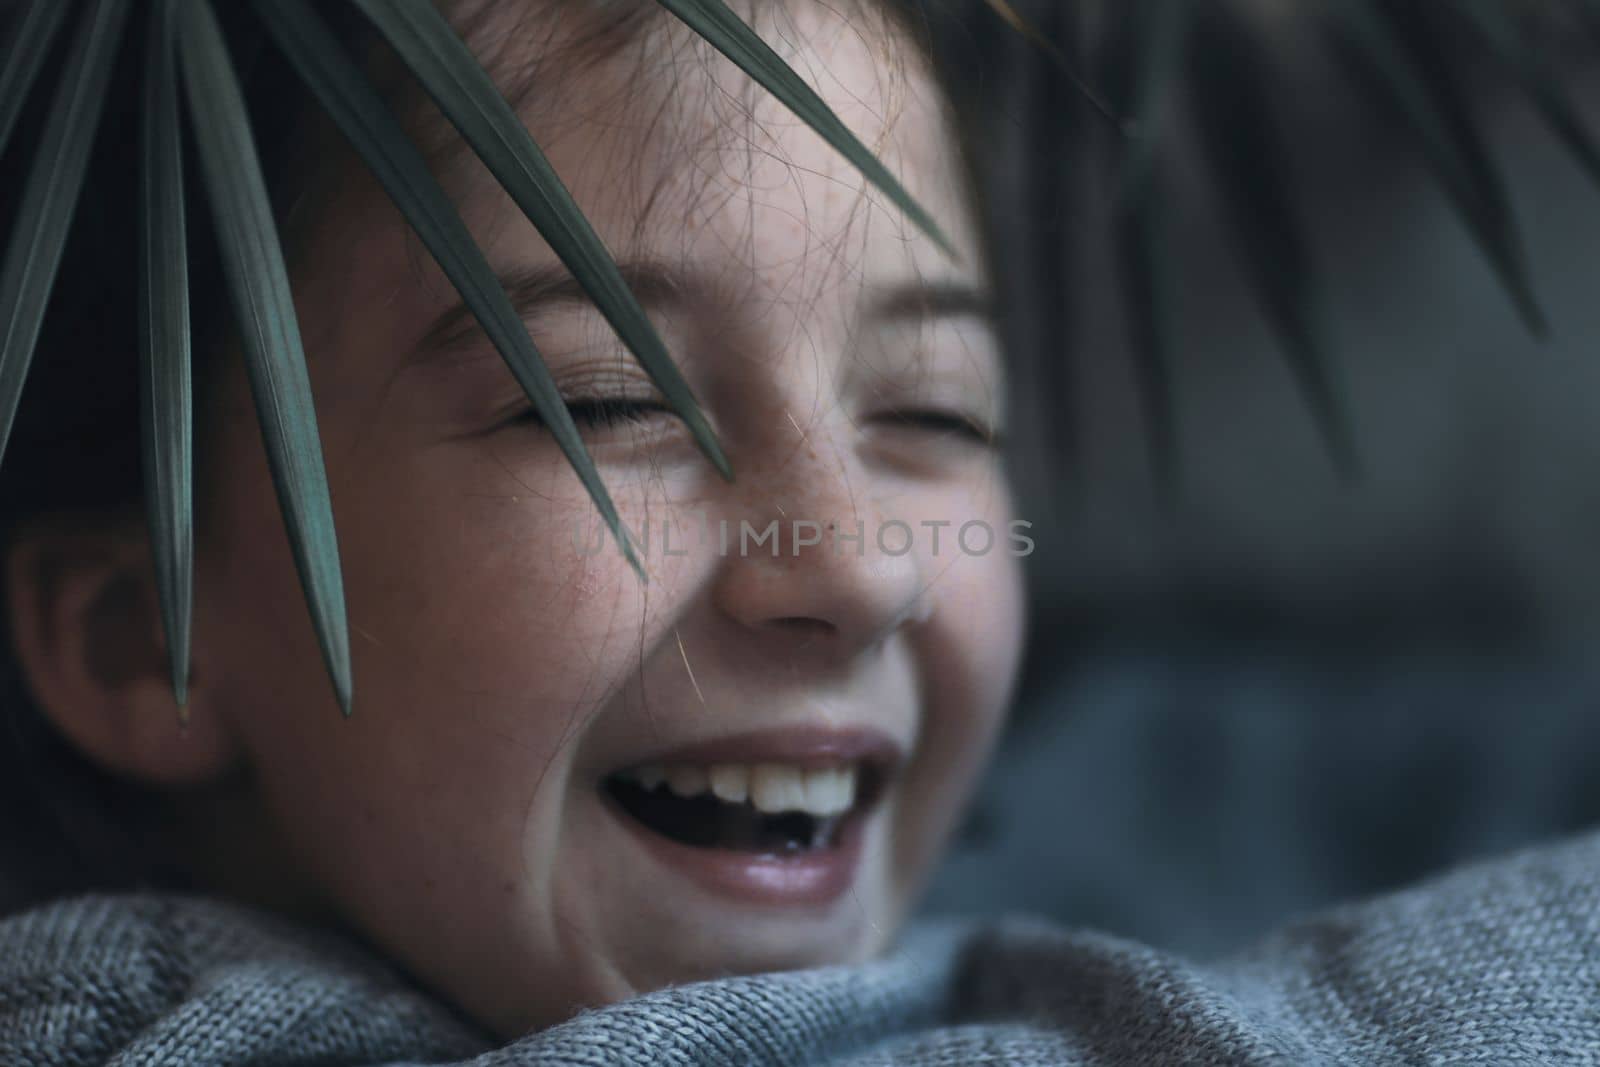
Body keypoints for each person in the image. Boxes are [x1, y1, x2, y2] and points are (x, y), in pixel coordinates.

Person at [3, 1, 1600, 1064]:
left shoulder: (1135, 757)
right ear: (158, 635)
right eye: (607, 400)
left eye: (935, 416)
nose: (869, 567)